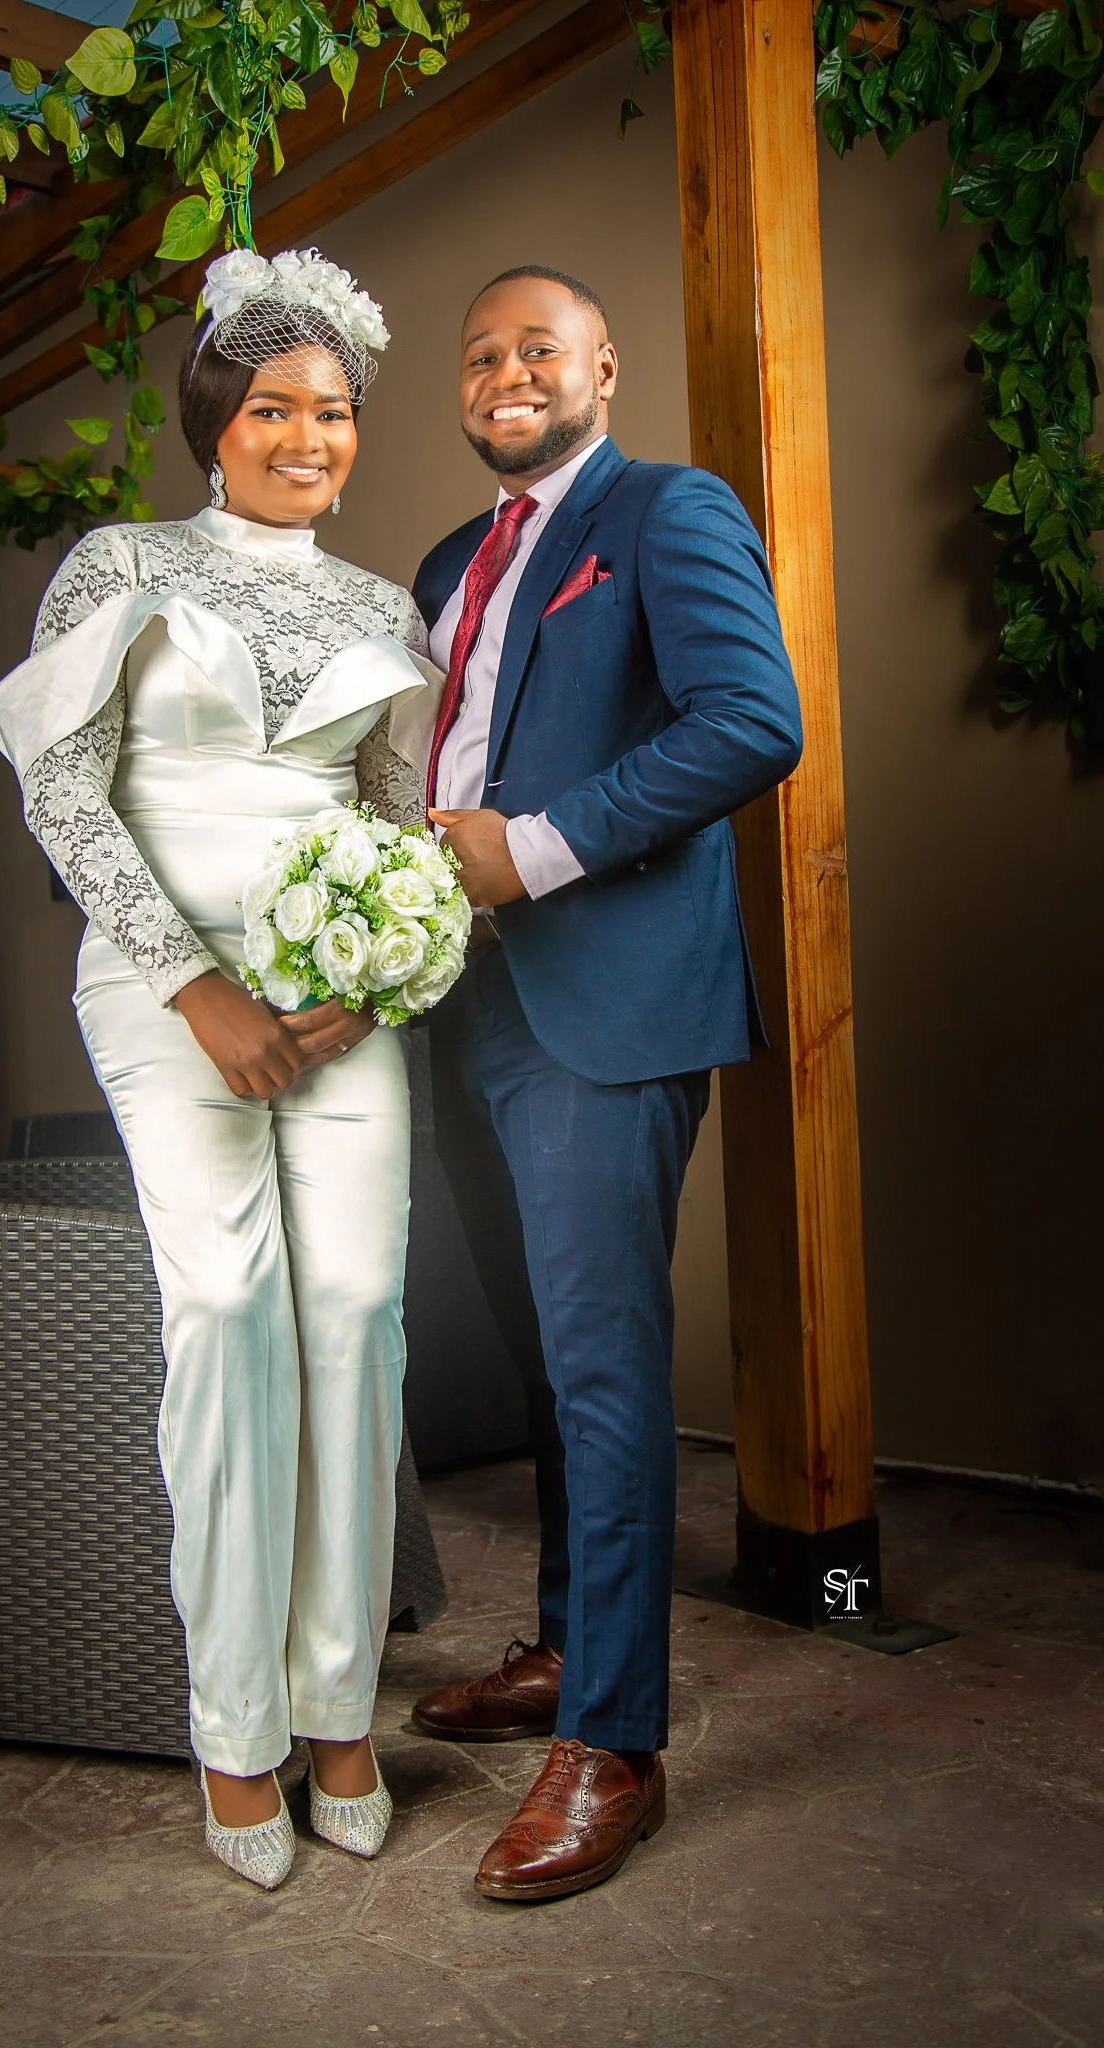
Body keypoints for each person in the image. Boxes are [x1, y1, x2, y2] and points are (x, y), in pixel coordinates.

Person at [0, 249, 441, 1892]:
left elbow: (398, 820)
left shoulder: (386, 608)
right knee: (231, 1309)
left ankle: (337, 1708)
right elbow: (66, 786)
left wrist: (380, 978)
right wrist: (197, 987)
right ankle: (233, 1727)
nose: (308, 437)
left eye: (332, 411)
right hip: (166, 990)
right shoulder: (122, 559)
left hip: (339, 1006)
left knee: (355, 1314)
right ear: (217, 419)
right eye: (274, 408)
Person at [409, 265, 804, 1902]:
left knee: (606, 1369)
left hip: (606, 1006)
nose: (509, 370)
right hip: (462, 1006)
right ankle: (572, 1654)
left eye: (539, 347)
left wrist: (538, 850)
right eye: (483, 350)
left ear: (603, 368)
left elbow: (751, 720)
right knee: (543, 1365)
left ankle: (620, 1744)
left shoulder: (665, 509)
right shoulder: (446, 562)